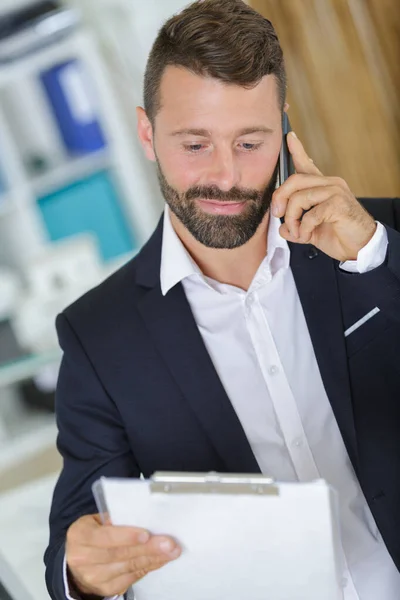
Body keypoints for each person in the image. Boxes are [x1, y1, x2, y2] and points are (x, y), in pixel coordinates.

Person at [44, 1, 400, 598]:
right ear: (147, 133)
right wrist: (81, 571)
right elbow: (76, 537)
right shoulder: (96, 336)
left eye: (250, 141)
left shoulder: (377, 239)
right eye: (195, 145)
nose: (228, 177)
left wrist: (374, 259)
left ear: (284, 128)